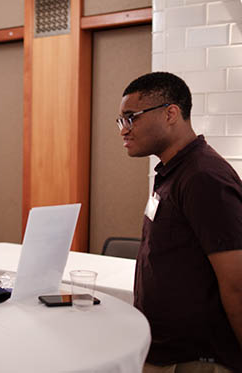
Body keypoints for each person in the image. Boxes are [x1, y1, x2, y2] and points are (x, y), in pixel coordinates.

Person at [117, 72, 242, 372]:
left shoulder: (203, 177)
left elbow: (236, 282)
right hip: (164, 347)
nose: (123, 130)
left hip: (194, 357)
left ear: (170, 113)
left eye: (130, 118)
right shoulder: (172, 172)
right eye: (120, 121)